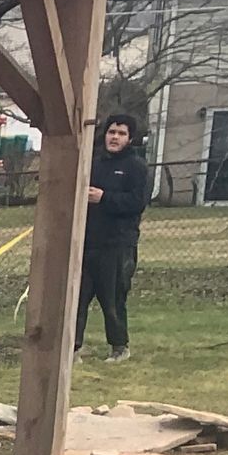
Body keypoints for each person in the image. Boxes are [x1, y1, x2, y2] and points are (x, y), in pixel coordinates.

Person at [74, 114, 150, 363]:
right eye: (111, 132)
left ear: (130, 138)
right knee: (78, 298)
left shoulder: (135, 167)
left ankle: (119, 346)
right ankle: (73, 347)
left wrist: (105, 198)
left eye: (121, 133)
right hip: (87, 243)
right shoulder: (94, 163)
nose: (114, 137)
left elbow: (137, 202)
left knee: (113, 299)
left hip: (118, 245)